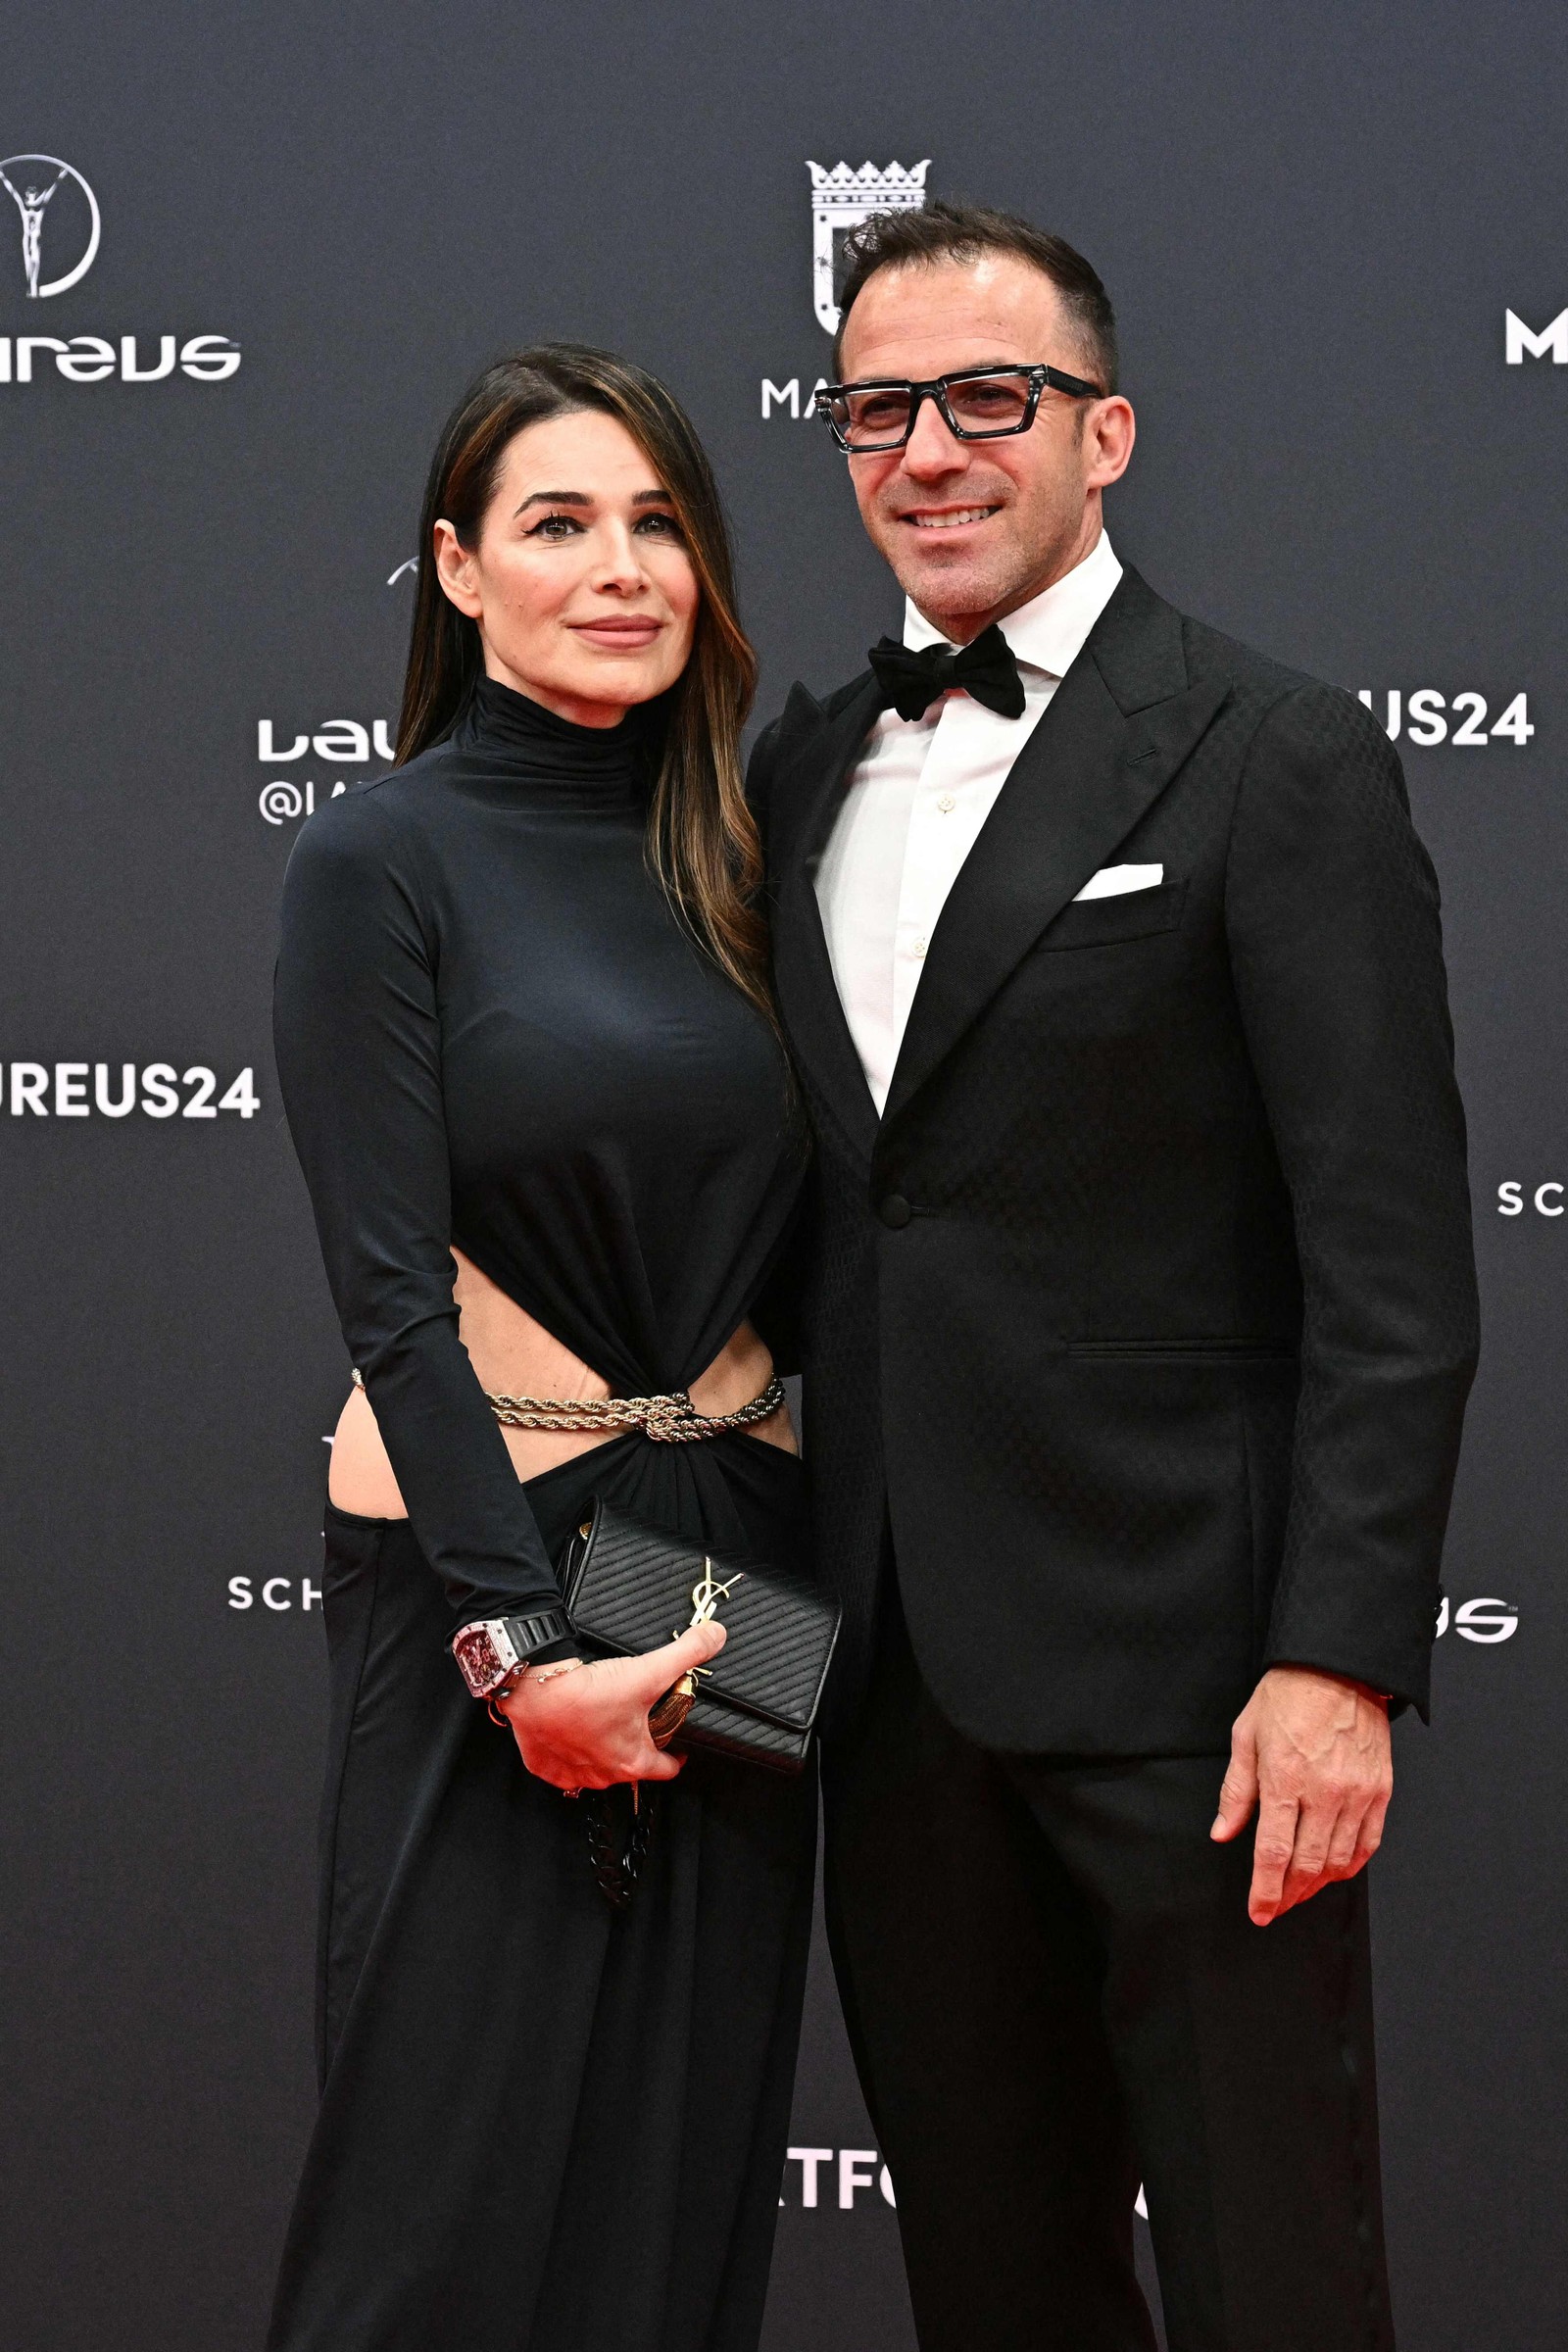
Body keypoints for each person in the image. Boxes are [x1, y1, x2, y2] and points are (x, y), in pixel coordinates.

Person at [749, 202, 1479, 2351]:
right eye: (875, 407)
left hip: (1200, 1693)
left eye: (991, 397)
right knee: (995, 2283)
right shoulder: (790, 771)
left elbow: (1388, 1258)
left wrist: (1337, 1658)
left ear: (1107, 433)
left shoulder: (1274, 756)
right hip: (871, 1686)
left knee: (1272, 2276)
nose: (929, 450)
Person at [268, 345, 815, 2352]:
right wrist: (515, 1652)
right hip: (491, 1553)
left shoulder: (751, 863)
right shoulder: (378, 858)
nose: (620, 567)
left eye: (658, 522)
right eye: (558, 524)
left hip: (741, 1553)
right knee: (444, 2213)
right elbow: (386, 1294)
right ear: (456, 568)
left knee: (677, 2198)